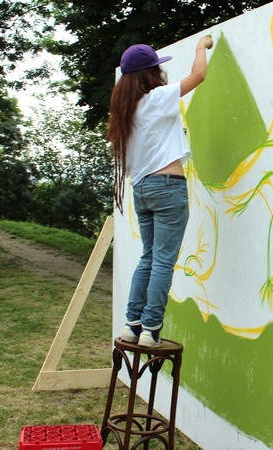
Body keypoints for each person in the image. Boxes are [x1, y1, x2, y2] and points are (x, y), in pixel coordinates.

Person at [107, 36, 214, 347]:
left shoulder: (125, 112)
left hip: (141, 190)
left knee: (149, 258)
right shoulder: (156, 99)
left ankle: (133, 325)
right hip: (167, 187)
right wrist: (201, 47)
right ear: (149, 73)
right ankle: (151, 329)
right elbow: (199, 75)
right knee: (163, 261)